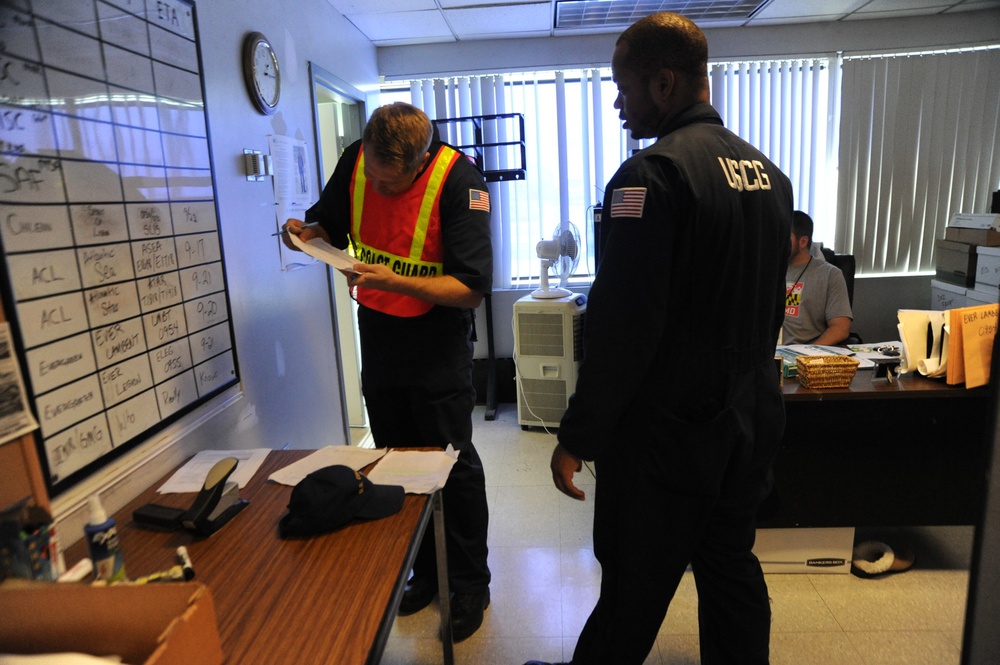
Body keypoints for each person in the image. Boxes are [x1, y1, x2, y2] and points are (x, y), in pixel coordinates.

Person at [524, 12, 793, 665]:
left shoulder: (651, 176)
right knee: (730, 565)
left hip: (670, 431)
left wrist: (578, 436)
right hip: (749, 416)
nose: (617, 103)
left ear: (665, 83)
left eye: (625, 87)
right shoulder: (769, 175)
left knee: (633, 585)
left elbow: (623, 329)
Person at [282, 102, 492, 642]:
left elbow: (470, 288)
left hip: (436, 342)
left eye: (390, 182)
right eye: (372, 175)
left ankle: (469, 584)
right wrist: (307, 233)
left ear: (421, 161)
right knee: (396, 460)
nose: (378, 186)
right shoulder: (359, 160)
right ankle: (421, 572)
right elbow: (330, 220)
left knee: (451, 463)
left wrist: (396, 282)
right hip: (378, 335)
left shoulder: (459, 180)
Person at [782, 210, 853, 345]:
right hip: (766, 354)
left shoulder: (830, 274)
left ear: (803, 242)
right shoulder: (767, 269)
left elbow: (840, 328)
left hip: (803, 354)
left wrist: (807, 354)